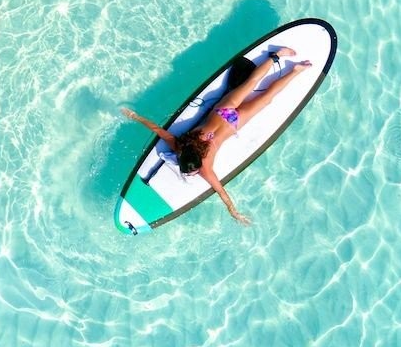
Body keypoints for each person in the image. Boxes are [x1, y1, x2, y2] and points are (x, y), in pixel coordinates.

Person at [121, 47, 312, 225]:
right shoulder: (180, 145)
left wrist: (233, 211)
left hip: (233, 121)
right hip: (223, 111)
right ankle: (278, 56)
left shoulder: (204, 168)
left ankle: (295, 70)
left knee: (267, 98)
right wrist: (135, 116)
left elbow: (221, 191)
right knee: (252, 84)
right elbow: (156, 128)